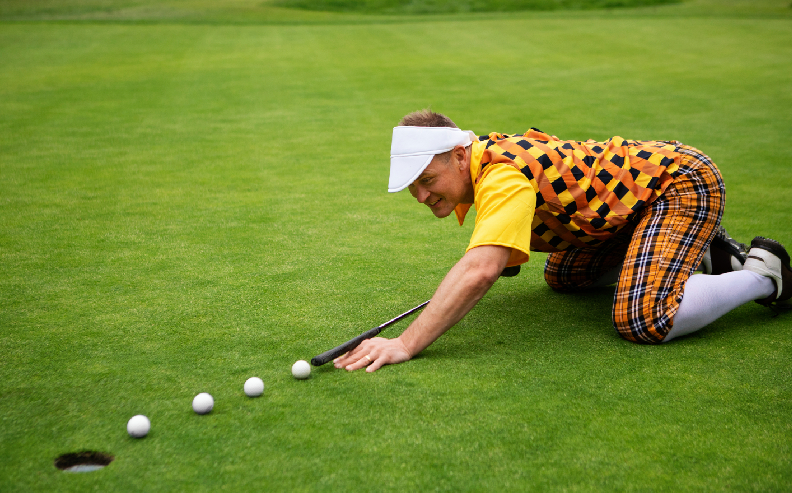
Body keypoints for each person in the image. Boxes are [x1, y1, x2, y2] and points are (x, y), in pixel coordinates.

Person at [334, 109, 790, 373]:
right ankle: (702, 255)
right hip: (631, 211)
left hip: (678, 184)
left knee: (645, 318)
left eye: (427, 179)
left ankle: (763, 274)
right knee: (564, 274)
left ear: (458, 156)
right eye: (412, 187)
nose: (421, 196)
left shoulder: (501, 177)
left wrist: (407, 344)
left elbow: (481, 270)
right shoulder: (482, 163)